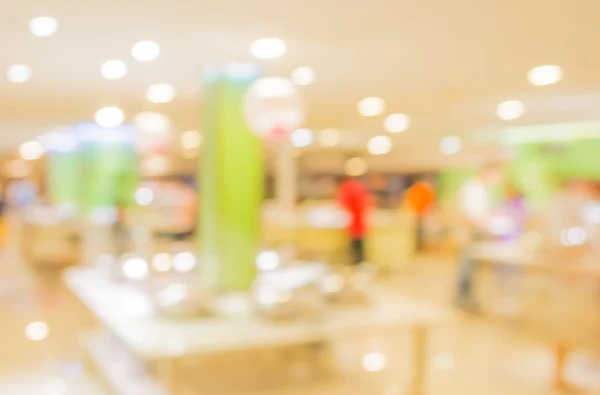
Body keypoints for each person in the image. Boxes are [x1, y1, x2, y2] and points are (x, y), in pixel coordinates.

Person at [338, 177, 372, 264]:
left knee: (356, 243)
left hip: (355, 222)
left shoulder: (349, 188)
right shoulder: (358, 188)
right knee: (358, 242)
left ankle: (357, 261)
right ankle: (358, 260)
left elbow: (343, 203)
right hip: (357, 222)